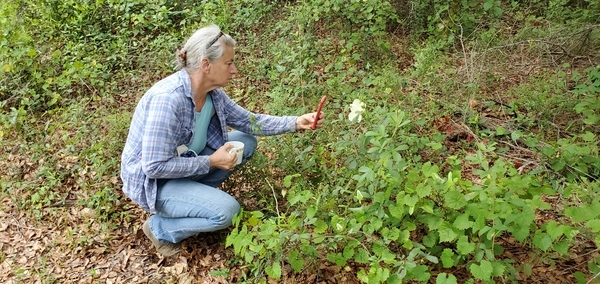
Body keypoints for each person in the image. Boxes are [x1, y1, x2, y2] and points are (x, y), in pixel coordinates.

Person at [120, 24, 324, 257]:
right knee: (227, 212)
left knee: (245, 141)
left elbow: (249, 122)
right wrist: (211, 162)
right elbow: (154, 167)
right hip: (155, 184)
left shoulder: (211, 93)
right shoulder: (168, 101)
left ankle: (192, 201)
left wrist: (296, 122)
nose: (234, 70)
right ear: (206, 65)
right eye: (228, 63)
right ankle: (160, 228)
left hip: (185, 164)